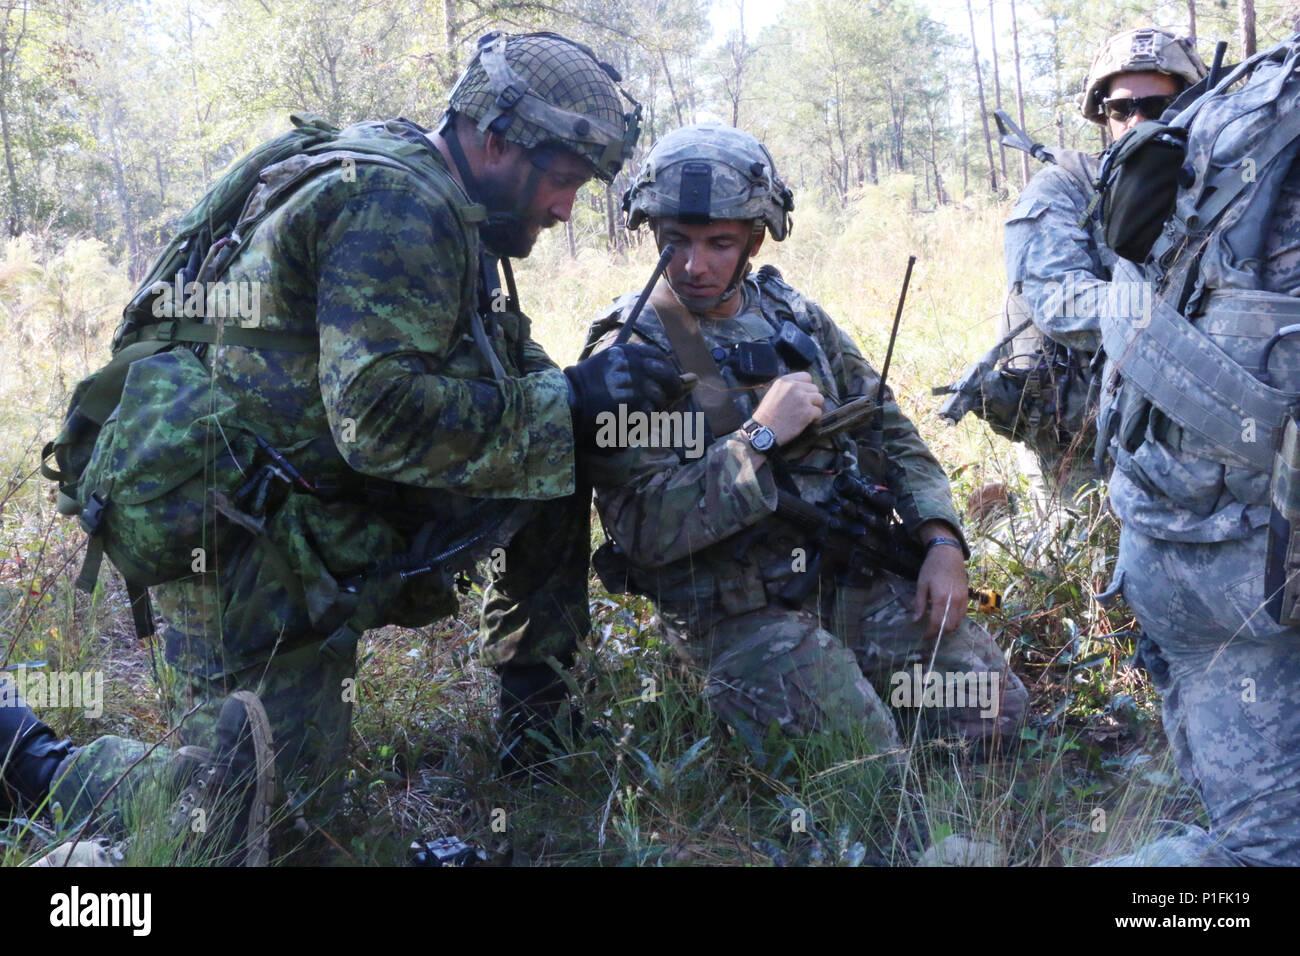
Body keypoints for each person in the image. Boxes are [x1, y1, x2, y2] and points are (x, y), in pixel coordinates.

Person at [0, 30, 682, 862]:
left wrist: (578, 395)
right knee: (253, 823)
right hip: (235, 541)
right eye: (564, 181)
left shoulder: (432, 186)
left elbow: (491, 361)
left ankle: (537, 720)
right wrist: (571, 401)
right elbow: (380, 416)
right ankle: (27, 754)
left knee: (551, 445)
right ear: (496, 139)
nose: (564, 208)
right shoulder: (399, 204)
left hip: (306, 501)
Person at [582, 124, 1027, 759]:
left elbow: (889, 430)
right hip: (736, 608)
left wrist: (940, 539)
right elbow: (645, 527)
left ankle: (870, 690)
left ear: (756, 240)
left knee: (993, 713)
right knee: (863, 763)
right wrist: (757, 439)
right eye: (675, 241)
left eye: (719, 243)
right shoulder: (629, 354)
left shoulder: (796, 317)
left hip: (846, 577)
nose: (693, 264)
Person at [1094, 32, 1300, 866]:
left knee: (1257, 822)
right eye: (1121, 107)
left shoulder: (1243, 102)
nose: (1137, 117)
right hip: (1256, 564)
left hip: (1170, 546)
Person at [996, 27, 1205, 507]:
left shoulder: (1218, 186)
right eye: (1121, 109)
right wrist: (1179, 308)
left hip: (1191, 426)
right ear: (1103, 114)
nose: (1136, 122)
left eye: (1156, 108)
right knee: (1081, 560)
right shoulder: (1064, 187)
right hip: (1082, 436)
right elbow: (1058, 299)